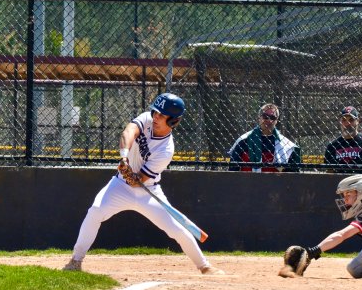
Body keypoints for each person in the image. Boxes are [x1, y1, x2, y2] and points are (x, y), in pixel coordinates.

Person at [62, 93, 224, 275]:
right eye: (155, 112)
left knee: (176, 230)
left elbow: (137, 181)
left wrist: (130, 175)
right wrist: (124, 156)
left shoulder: (166, 150)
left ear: (173, 121)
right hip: (119, 186)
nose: (156, 117)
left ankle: (204, 266)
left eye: (162, 115)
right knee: (95, 211)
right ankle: (76, 261)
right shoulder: (147, 119)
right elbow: (128, 132)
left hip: (148, 192)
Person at [227, 103, 301, 172]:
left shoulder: (287, 146)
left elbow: (292, 175)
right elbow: (233, 170)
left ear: (276, 121)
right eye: (265, 116)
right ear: (259, 118)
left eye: (272, 117)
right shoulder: (243, 141)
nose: (269, 120)